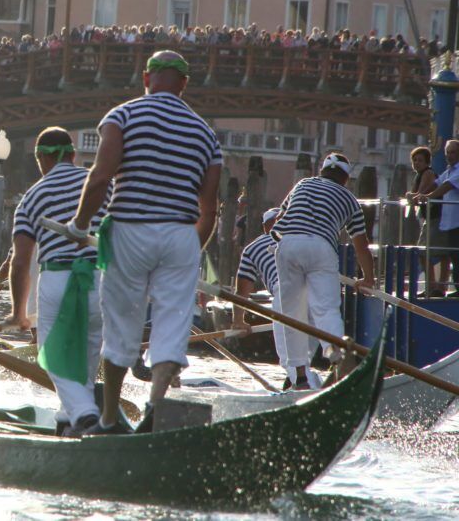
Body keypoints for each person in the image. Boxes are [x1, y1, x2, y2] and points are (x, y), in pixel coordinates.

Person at [69, 50, 222, 434]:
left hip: (130, 230)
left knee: (121, 323)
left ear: (147, 78)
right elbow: (211, 211)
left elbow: (101, 176)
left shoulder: (122, 116)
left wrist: (79, 224)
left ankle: (107, 419)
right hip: (181, 235)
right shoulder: (206, 134)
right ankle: (156, 402)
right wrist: (190, 250)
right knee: (172, 323)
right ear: (185, 84)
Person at [4, 127, 109, 436]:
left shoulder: (33, 196)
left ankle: (86, 415)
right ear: (73, 155)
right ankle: (69, 420)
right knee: (88, 355)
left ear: (41, 158)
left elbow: (20, 260)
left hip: (58, 279)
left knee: (51, 356)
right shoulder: (105, 186)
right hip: (102, 280)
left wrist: (18, 312)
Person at [272, 152, 374, 388]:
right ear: (346, 179)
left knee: (291, 313)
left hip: (288, 244)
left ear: (322, 171)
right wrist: (368, 278)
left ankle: (298, 375)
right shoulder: (349, 199)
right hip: (321, 246)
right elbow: (361, 245)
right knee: (325, 307)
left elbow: (279, 218)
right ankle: (337, 356)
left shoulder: (303, 184)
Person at [232, 207, 321, 389]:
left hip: (287, 291)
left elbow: (242, 291)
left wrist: (238, 321)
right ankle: (301, 387)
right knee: (304, 359)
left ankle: (308, 392)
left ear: (265, 227)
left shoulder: (253, 248)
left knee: (292, 361)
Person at [413, 139, 459, 294]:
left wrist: (429, 197)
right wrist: (421, 195)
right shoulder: (449, 170)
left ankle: (439, 287)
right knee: (451, 255)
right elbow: (438, 182)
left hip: (456, 221)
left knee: (452, 255)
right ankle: (439, 287)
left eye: (453, 152)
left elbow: (447, 186)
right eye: (447, 152)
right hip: (449, 222)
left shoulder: (457, 171)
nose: (449, 155)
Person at [407, 146, 444, 295]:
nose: (416, 163)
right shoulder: (419, 175)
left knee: (424, 252)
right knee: (428, 252)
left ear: (427, 162)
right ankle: (434, 286)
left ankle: (432, 286)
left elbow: (420, 195)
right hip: (429, 218)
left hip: (435, 218)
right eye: (414, 160)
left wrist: (410, 195)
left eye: (420, 160)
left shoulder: (428, 173)